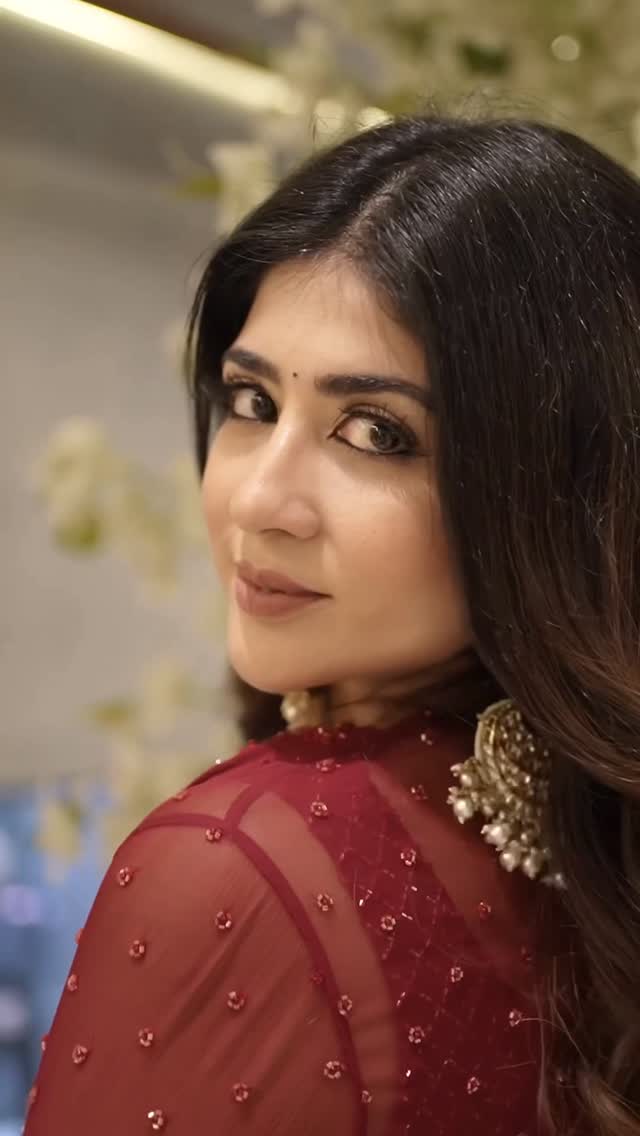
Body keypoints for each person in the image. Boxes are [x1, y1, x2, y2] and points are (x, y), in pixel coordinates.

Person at [24, 109, 640, 1136]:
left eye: (376, 433)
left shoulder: (237, 869)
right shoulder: (589, 838)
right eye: (252, 402)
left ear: (559, 485)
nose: (261, 500)